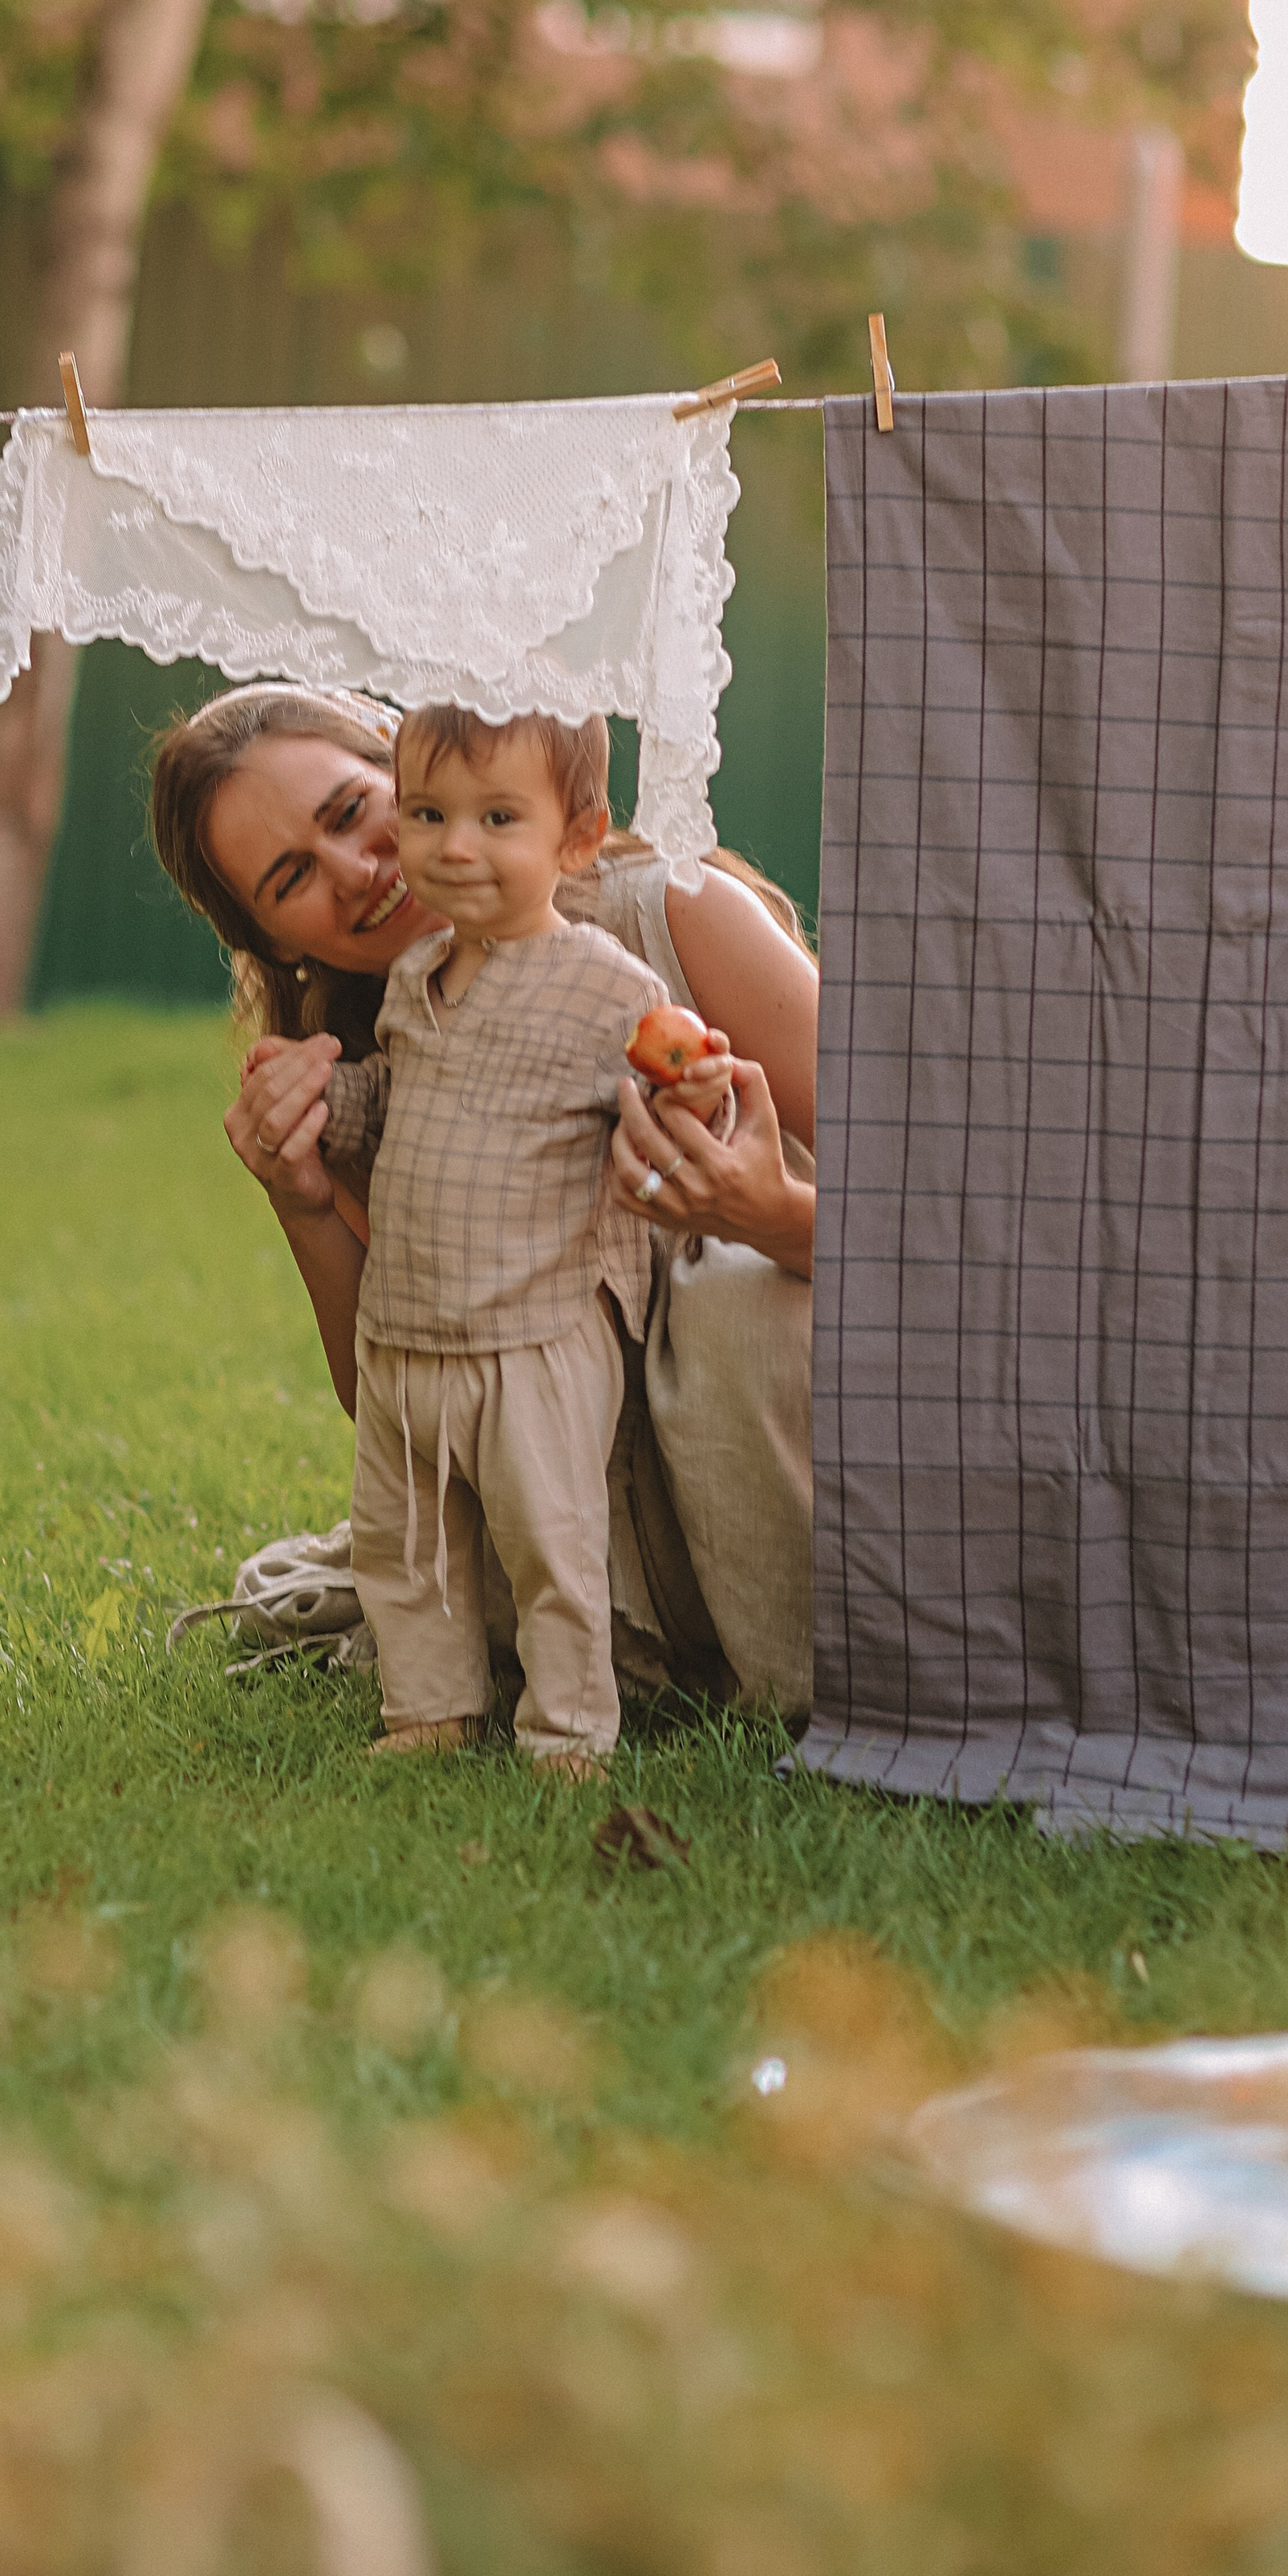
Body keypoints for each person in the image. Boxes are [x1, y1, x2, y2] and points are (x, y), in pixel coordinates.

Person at [149, 681, 818, 1724]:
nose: (356, 870)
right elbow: (408, 1387)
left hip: (796, 1399)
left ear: (406, 755)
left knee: (731, 1305)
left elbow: (957, 1211)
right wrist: (304, 1199)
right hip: (584, 1483)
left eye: (351, 811)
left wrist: (766, 1214)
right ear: (278, 942)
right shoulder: (375, 1054)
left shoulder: (672, 919)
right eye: (293, 878)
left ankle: (818, 1660)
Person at [303, 704, 734, 1772]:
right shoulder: (416, 978)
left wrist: (693, 1087)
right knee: (404, 1544)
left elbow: (675, 1106)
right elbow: (395, 1106)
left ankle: (569, 1730)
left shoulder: (607, 983)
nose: (455, 846)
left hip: (534, 1332)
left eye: (498, 818)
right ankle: (431, 1708)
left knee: (553, 1544)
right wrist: (327, 1103)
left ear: (575, 840)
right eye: (427, 814)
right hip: (407, 1328)